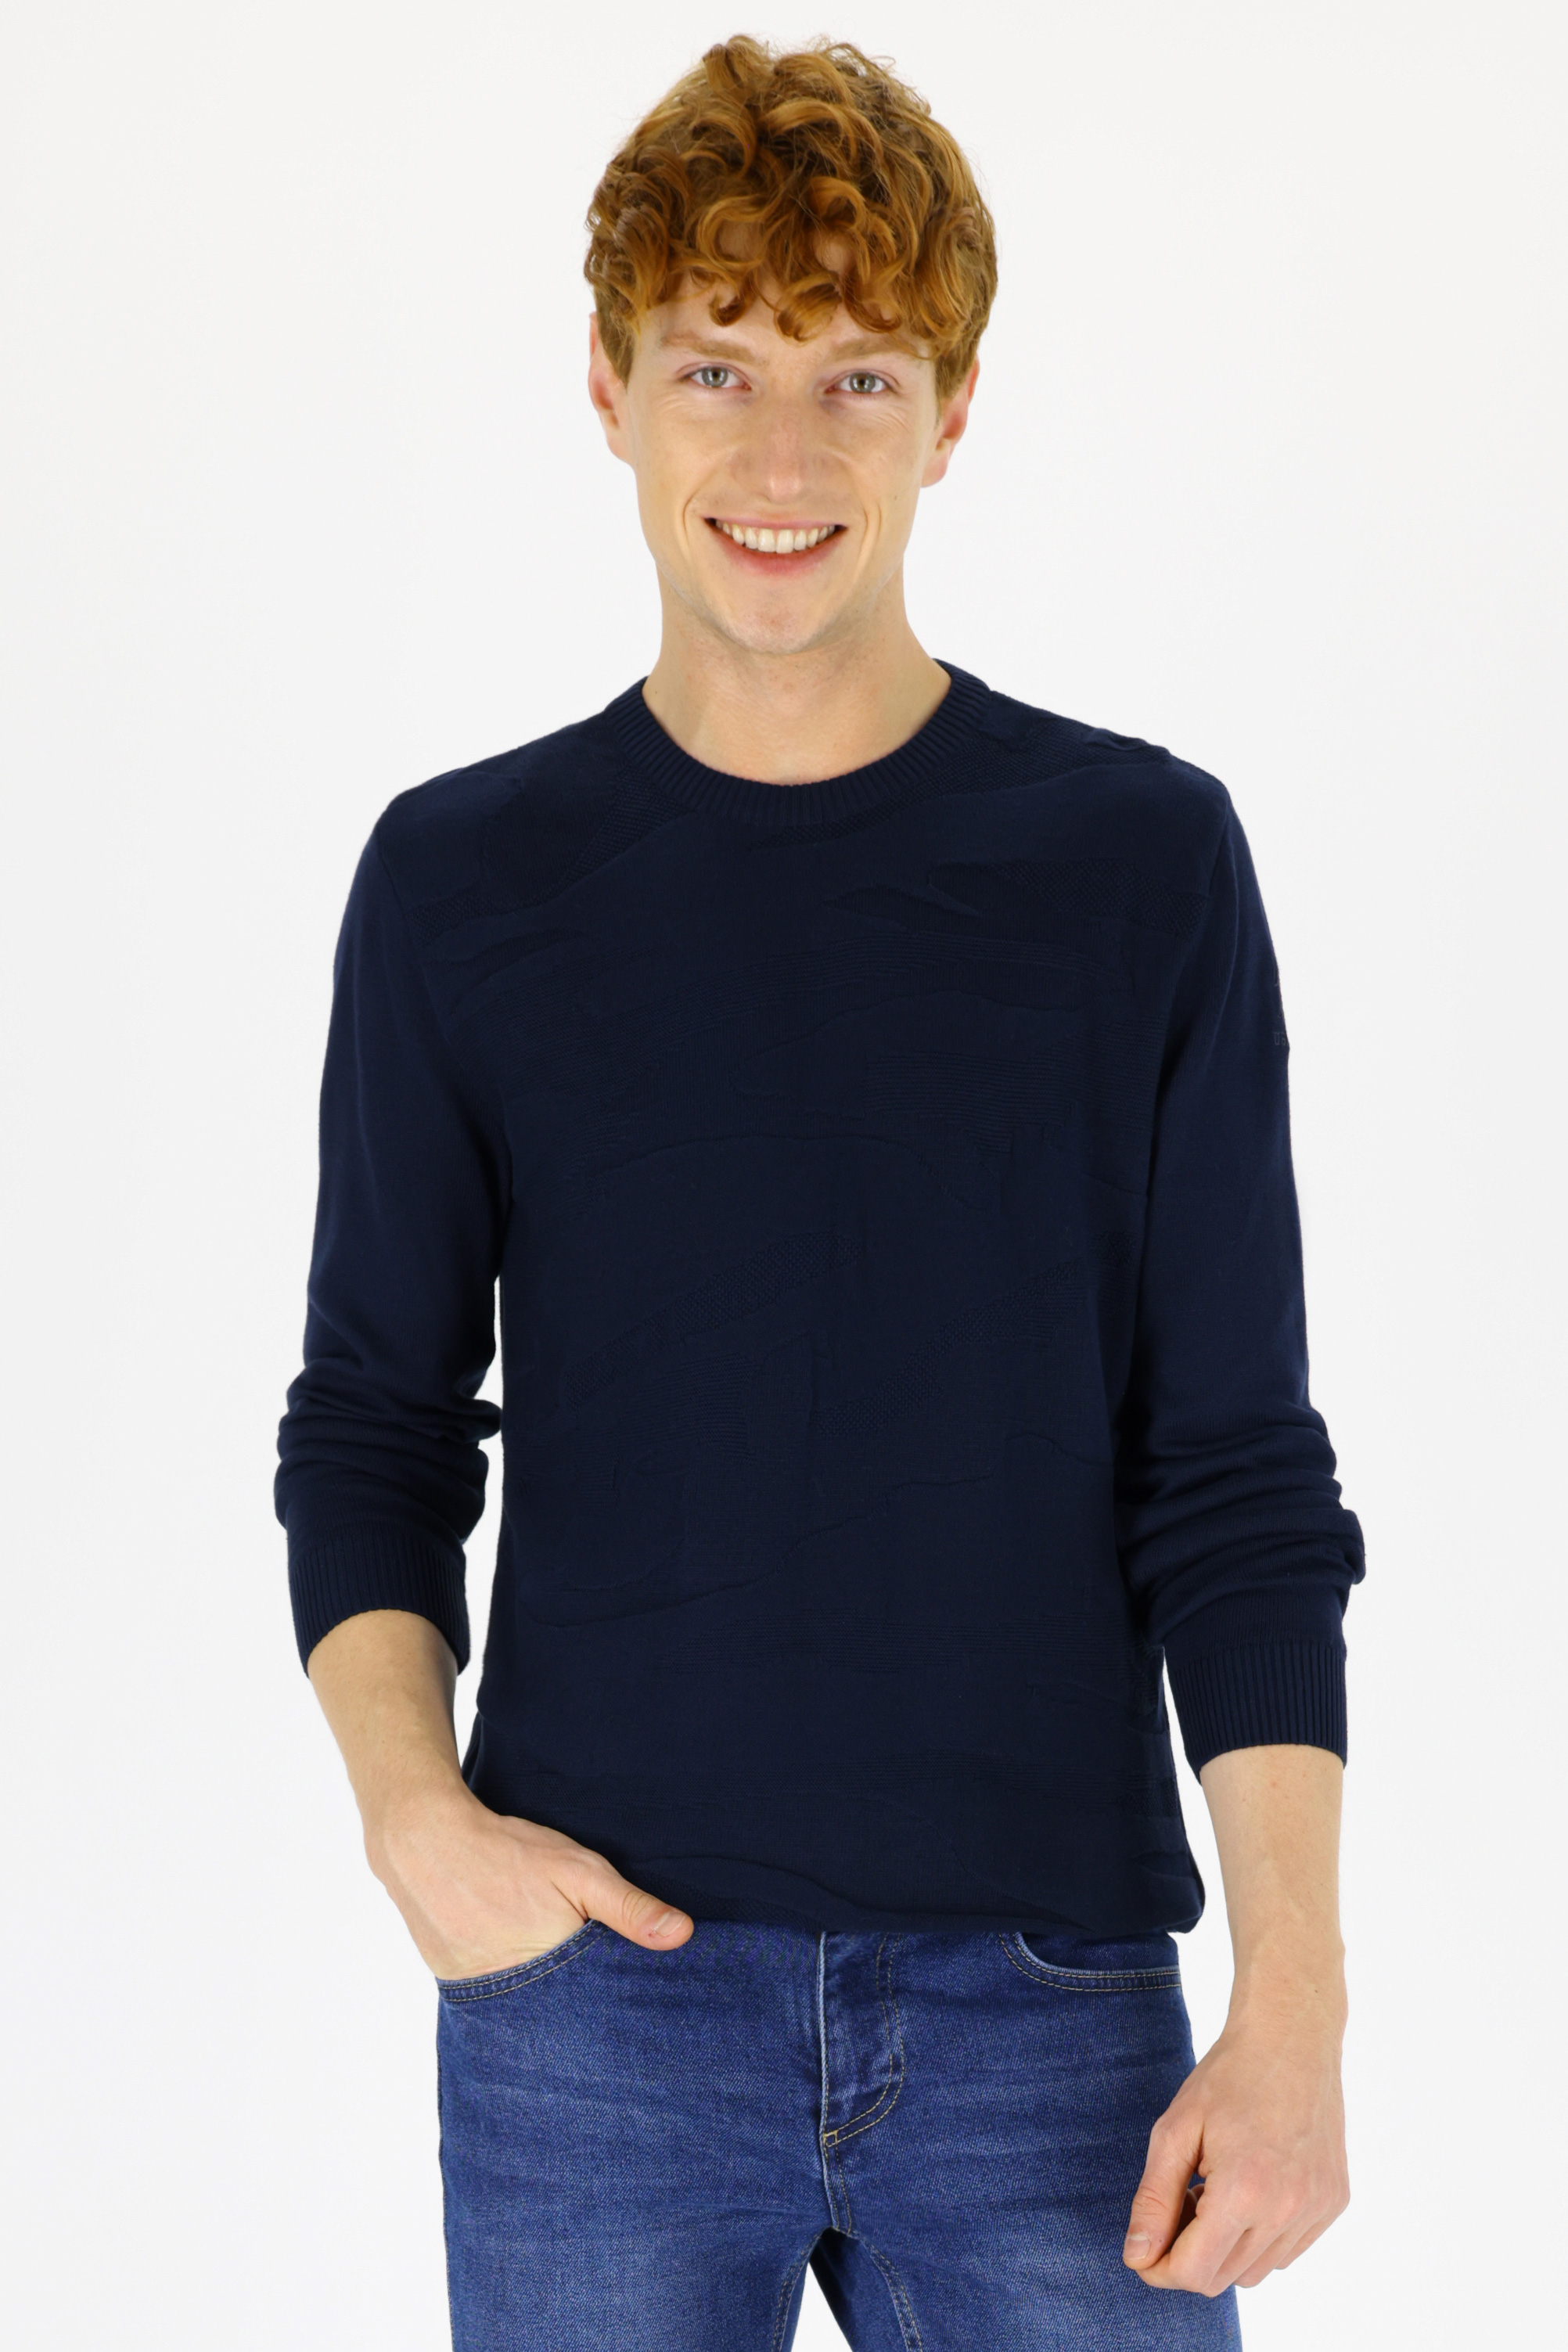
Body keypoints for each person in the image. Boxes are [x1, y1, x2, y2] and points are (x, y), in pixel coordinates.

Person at [275, 34, 1365, 2350]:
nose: (781, 460)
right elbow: (373, 1423)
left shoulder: (1140, 867)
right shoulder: (465, 884)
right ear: (608, 388)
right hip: (596, 2009)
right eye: (717, 367)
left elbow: (1236, 1471)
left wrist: (1294, 2007)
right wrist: (412, 1824)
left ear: (951, 412)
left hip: (1053, 2015)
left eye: (856, 377)